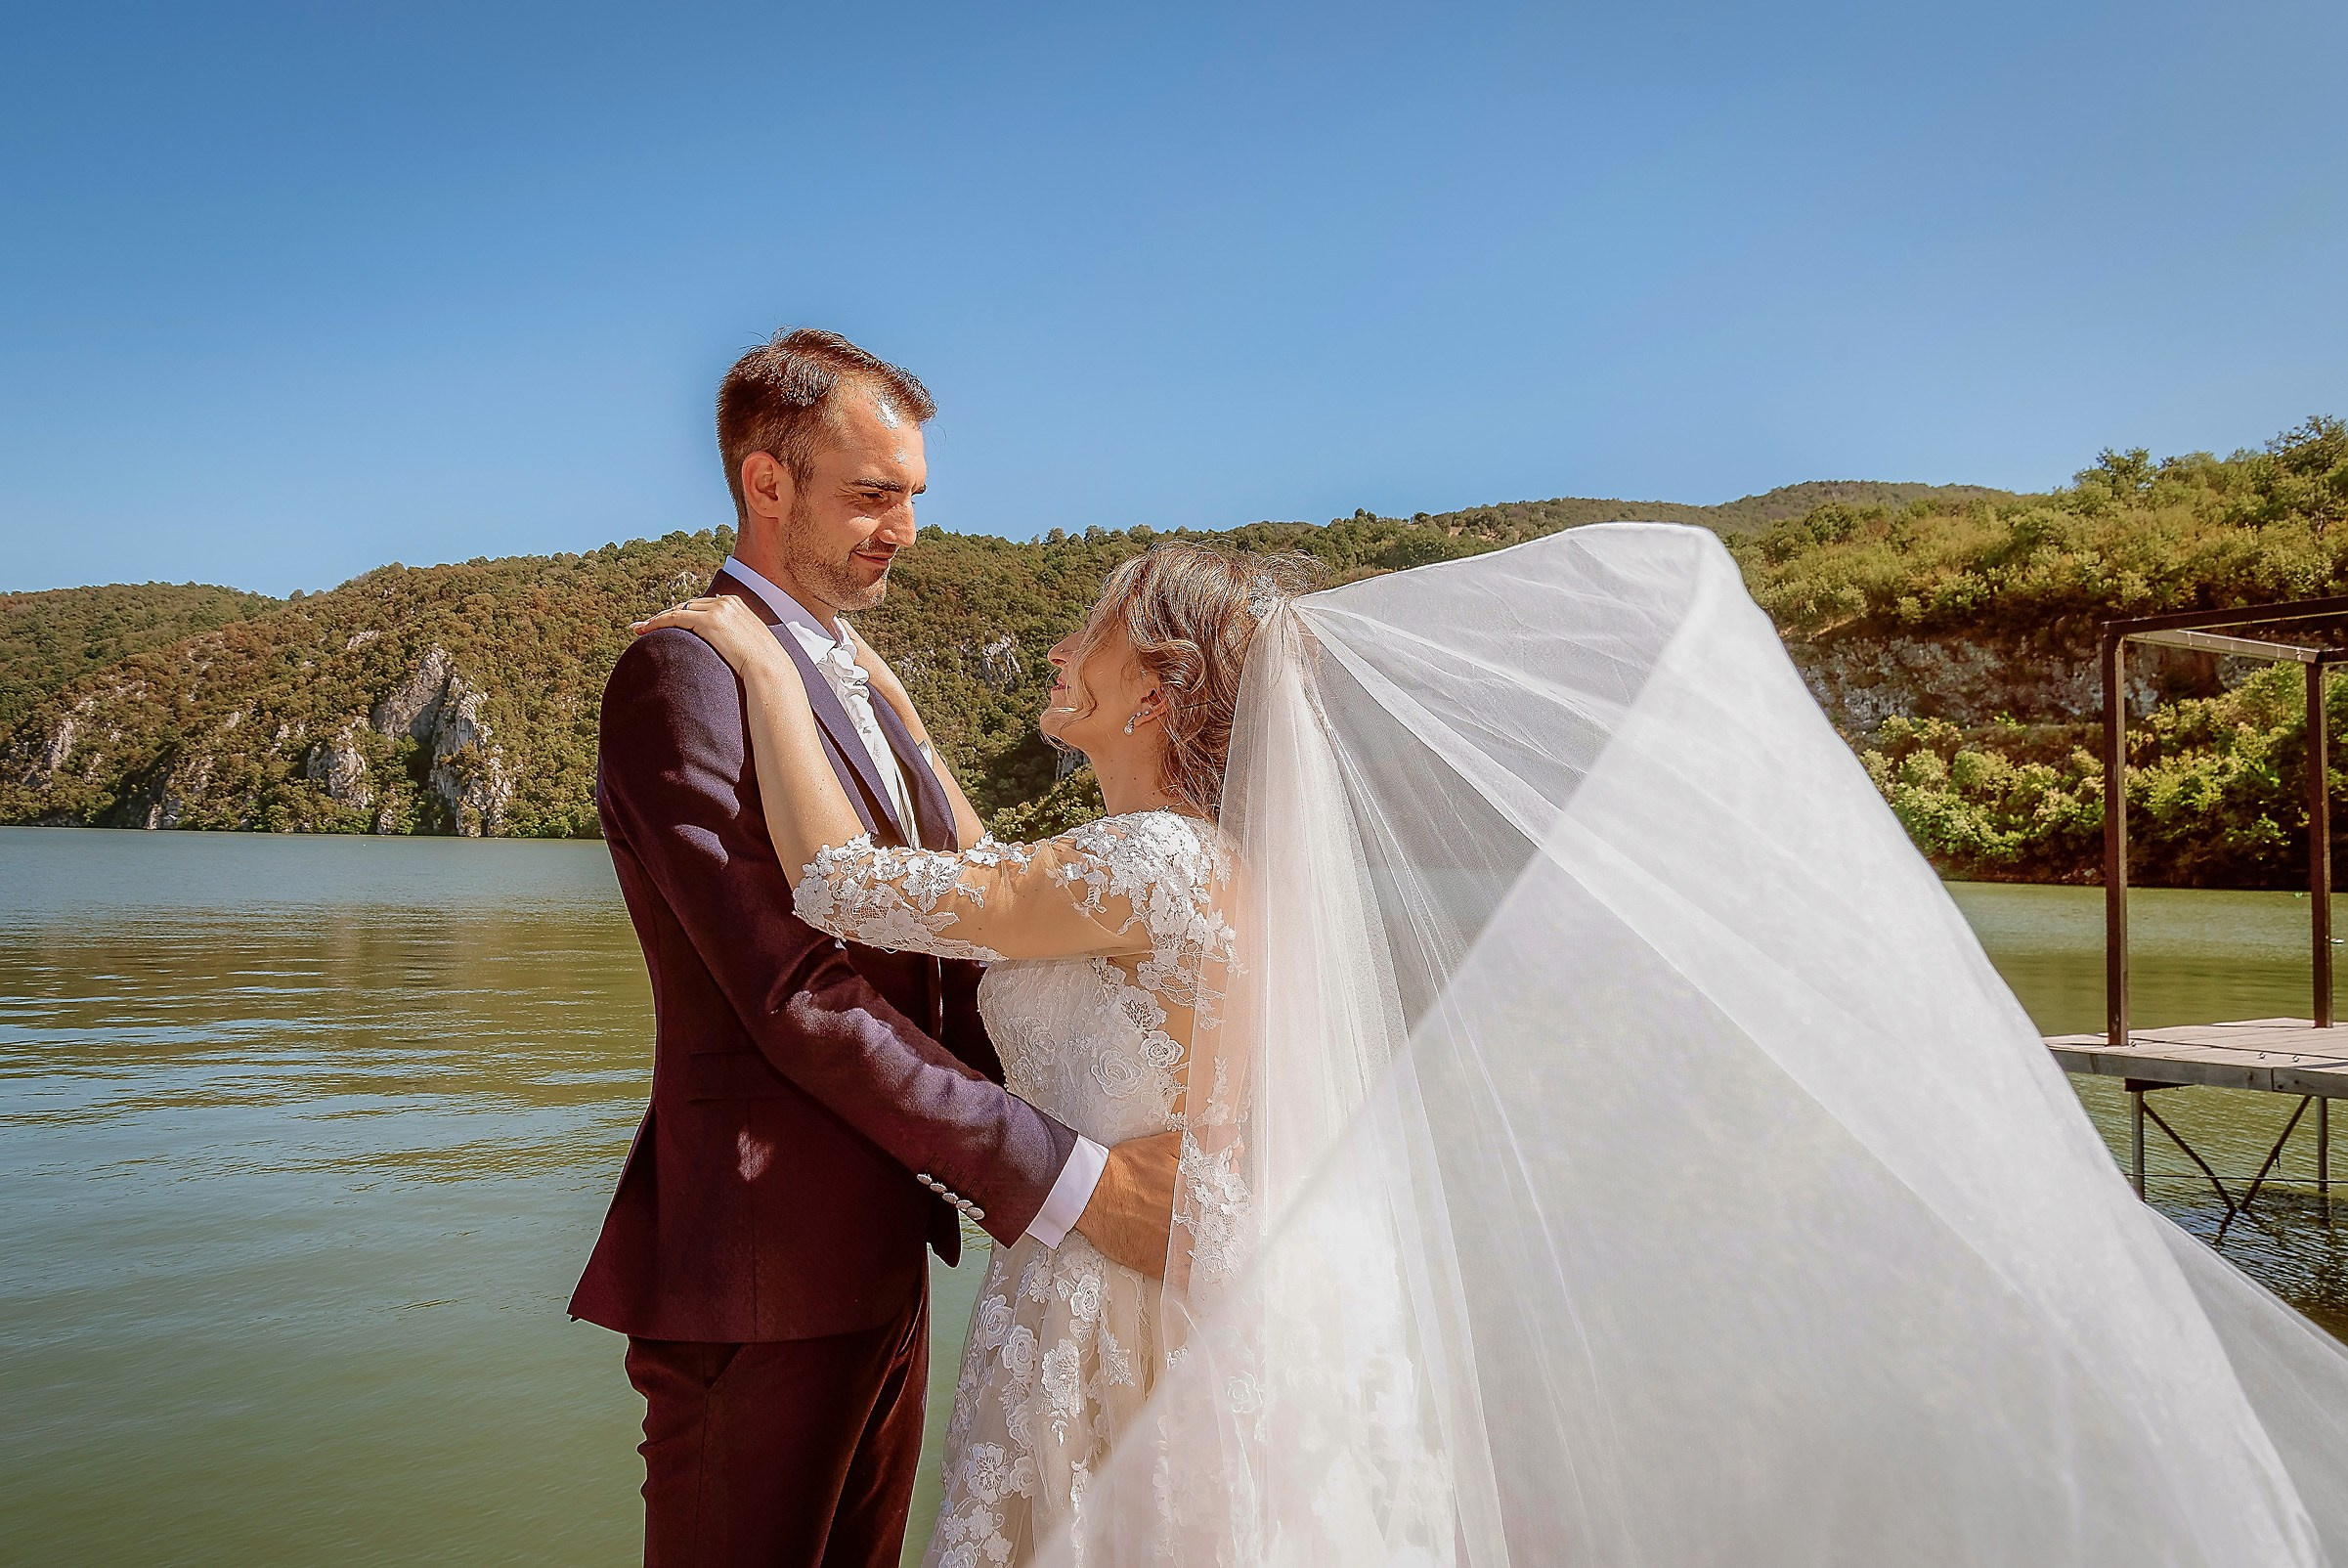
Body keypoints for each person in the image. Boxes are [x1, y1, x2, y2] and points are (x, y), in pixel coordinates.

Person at [645, 517, 2348, 1567]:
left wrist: (756, 657)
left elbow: (851, 881)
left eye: (1091, 623)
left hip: (1117, 1270)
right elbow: (964, 863)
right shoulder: (1191, 860)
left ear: (1153, 684)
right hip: (1221, 1246)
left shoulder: (1141, 862)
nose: (1062, 640)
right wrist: (874, 689)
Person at [570, 327, 1179, 1568]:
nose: (901, 524)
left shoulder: (853, 674)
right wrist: (1071, 1180)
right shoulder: (686, 670)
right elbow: (797, 991)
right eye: (871, 493)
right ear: (766, 481)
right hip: (758, 1270)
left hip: (879, 1253)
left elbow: (965, 919)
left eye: (912, 495)